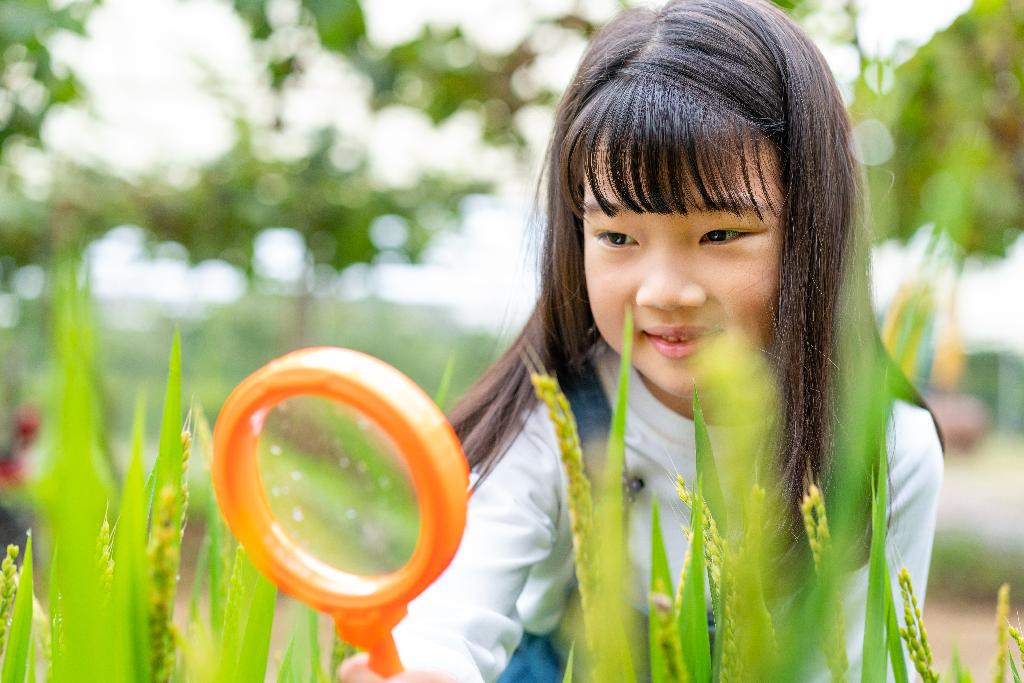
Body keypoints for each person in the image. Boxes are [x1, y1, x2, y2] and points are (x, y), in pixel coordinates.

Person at [340, 0, 944, 680]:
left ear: (813, 230)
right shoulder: (551, 417)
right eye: (617, 236)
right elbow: (454, 616)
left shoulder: (885, 447)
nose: (664, 290)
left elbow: (856, 665)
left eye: (720, 235)